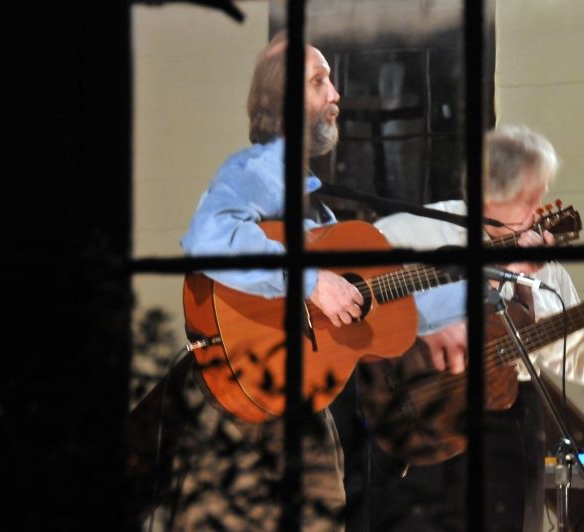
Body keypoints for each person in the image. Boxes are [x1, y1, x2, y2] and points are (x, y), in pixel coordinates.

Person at [362, 124, 584, 532]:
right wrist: (501, 277)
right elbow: (356, 305)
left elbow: (580, 357)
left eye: (541, 193)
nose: (539, 206)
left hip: (506, 421)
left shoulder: (546, 268)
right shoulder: (413, 232)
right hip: (417, 414)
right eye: (529, 195)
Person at [167, 32, 363, 531]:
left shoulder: (309, 197)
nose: (335, 94)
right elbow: (208, 238)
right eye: (319, 82)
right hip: (239, 404)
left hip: (296, 396)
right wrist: (310, 282)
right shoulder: (257, 170)